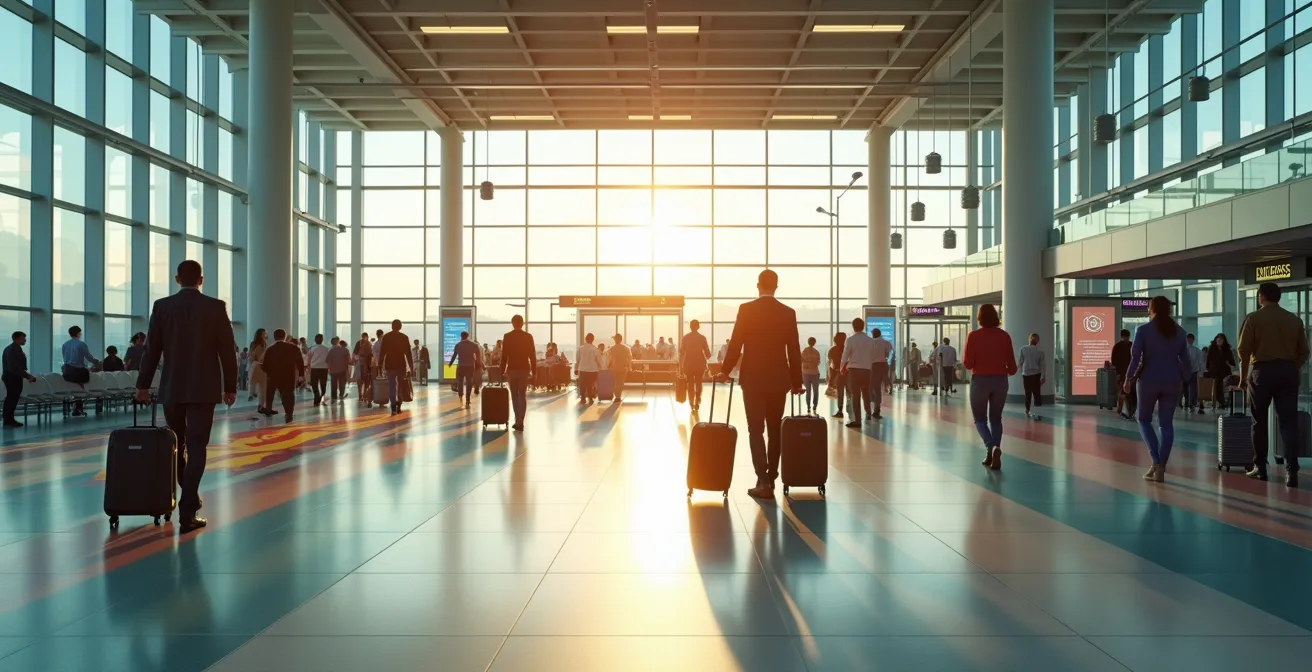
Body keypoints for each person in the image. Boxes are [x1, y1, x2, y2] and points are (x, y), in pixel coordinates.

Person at [133, 260, 237, 534]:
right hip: (204, 388)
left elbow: (151, 350)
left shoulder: (162, 306)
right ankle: (188, 508)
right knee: (198, 445)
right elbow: (227, 349)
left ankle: (186, 492)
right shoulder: (215, 307)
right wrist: (230, 386)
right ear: (201, 279)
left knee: (176, 443)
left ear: (177, 278)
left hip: (173, 387)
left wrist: (143, 385)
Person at [717, 269, 804, 499]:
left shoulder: (747, 310)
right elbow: (794, 350)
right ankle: (771, 475)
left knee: (755, 430)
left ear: (758, 285)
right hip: (779, 380)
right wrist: (797, 382)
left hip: (753, 380)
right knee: (775, 431)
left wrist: (725, 371)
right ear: (776, 286)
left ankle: (763, 480)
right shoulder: (787, 313)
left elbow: (736, 343)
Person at [1238, 282, 1310, 487]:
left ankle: (1260, 467)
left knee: (1258, 422)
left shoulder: (1253, 319)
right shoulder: (1294, 320)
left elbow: (1243, 351)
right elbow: (1304, 351)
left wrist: (1243, 378)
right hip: (1288, 372)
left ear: (1261, 297)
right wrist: (1292, 368)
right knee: (1289, 423)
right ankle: (1291, 471)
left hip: (1262, 373)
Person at [1124, 297, 1191, 484]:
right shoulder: (1179, 332)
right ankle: (1162, 465)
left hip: (1148, 380)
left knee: (1143, 419)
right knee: (1166, 423)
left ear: (1151, 309)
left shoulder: (1143, 330)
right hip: (1173, 380)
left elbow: (1136, 358)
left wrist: (1128, 378)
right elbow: (1185, 361)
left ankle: (1156, 461)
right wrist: (1186, 379)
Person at [963, 304, 1017, 470]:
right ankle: (993, 453)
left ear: (979, 317)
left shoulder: (973, 336)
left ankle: (991, 446)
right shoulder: (1004, 336)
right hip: (1000, 381)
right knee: (996, 419)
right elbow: (1013, 368)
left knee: (980, 419)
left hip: (980, 381)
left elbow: (967, 363)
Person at [500, 315, 536, 431]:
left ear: (512, 323)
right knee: (522, 395)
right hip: (524, 369)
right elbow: (532, 355)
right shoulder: (528, 336)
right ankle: (521, 420)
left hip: (512, 369)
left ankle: (517, 420)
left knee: (514, 395)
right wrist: (534, 371)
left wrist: (501, 372)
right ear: (523, 323)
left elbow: (504, 356)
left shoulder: (507, 336)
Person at [261, 328, 305, 421]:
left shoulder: (270, 349)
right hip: (288, 375)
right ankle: (289, 413)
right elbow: (300, 362)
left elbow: (264, 365)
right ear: (285, 337)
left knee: (270, 393)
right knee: (288, 394)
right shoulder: (293, 348)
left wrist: (269, 372)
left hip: (273, 376)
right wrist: (301, 375)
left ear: (274, 337)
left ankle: (268, 409)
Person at [60, 326, 99, 416]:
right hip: (78, 371)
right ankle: (78, 407)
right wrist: (96, 361)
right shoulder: (81, 344)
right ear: (78, 333)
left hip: (68, 371)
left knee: (74, 388)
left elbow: (64, 357)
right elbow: (88, 357)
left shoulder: (65, 344)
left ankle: (76, 407)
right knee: (81, 387)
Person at [378, 321, 414, 415]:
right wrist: (411, 367)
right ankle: (399, 405)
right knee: (401, 385)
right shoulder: (404, 337)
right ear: (400, 327)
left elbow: (382, 353)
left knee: (391, 386)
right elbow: (408, 354)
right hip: (401, 365)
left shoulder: (387, 337)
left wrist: (379, 366)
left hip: (390, 365)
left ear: (392, 326)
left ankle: (393, 406)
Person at [2, 331, 37, 428]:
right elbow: (15, 367)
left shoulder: (15, 349)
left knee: (12, 398)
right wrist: (28, 376)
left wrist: (25, 375)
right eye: (22, 338)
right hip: (12, 377)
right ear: (16, 339)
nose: (25, 340)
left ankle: (9, 419)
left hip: (14, 376)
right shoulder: (12, 350)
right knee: (11, 399)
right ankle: (8, 420)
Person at [678, 321, 712, 411]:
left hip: (688, 364)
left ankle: (691, 402)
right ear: (698, 327)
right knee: (698, 382)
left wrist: (681, 367)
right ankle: (697, 400)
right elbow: (708, 354)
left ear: (690, 327)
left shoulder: (685, 338)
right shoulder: (702, 338)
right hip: (699, 364)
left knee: (690, 384)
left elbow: (681, 351)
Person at [1017, 333, 1046, 418]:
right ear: (1038, 341)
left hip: (1026, 374)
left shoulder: (1023, 349)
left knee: (1027, 393)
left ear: (1029, 339)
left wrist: (1014, 371)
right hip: (1036, 374)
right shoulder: (1040, 352)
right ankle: (1037, 412)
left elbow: (1020, 362)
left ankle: (1027, 410)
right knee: (1037, 393)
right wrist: (1044, 376)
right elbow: (1042, 365)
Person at [1206, 333, 1236, 413]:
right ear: (1215, 340)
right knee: (1218, 385)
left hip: (1225, 371)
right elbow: (1208, 360)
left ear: (1224, 341)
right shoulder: (1211, 349)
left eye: (1221, 339)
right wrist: (1209, 369)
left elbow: (1232, 362)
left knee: (1225, 386)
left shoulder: (1227, 350)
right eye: (1218, 339)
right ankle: (1221, 402)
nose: (1219, 341)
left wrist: (1229, 365)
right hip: (1215, 371)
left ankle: (1224, 402)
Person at [450, 331, 481, 408]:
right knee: (469, 382)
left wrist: (450, 363)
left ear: (461, 336)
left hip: (461, 365)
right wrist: (478, 363)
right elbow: (478, 355)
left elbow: (454, 355)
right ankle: (467, 399)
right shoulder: (474, 345)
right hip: (470, 365)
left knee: (460, 381)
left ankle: (460, 395)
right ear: (468, 336)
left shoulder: (458, 345)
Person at [868, 328, 893, 416]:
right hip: (883, 364)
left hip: (874, 365)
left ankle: (871, 404)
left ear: (874, 334)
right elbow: (887, 354)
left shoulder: (871, 342)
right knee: (878, 387)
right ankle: (877, 408)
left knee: (872, 386)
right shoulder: (886, 342)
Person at [1111, 329, 1134, 419]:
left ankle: (1122, 410)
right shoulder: (1131, 345)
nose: (1126, 339)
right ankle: (1126, 410)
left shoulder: (1117, 346)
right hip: (1127, 373)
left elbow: (1114, 360)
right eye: (1126, 337)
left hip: (1123, 372)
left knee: (1123, 391)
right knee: (1125, 392)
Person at [575, 333, 601, 404]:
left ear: (585, 339)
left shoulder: (580, 349)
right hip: (593, 370)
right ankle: (590, 398)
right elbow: (598, 360)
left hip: (583, 369)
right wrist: (600, 368)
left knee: (582, 384)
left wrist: (576, 369)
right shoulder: (595, 349)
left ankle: (583, 398)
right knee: (590, 384)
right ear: (593, 340)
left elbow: (577, 360)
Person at [307, 334, 331, 406]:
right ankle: (322, 395)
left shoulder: (312, 348)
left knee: (314, 384)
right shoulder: (326, 348)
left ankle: (316, 397)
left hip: (314, 368)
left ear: (315, 340)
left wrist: (308, 366)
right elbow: (328, 359)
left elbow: (309, 358)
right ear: (322, 340)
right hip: (324, 368)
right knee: (323, 383)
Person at [827, 332, 847, 418]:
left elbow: (832, 365)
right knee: (850, 393)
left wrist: (830, 379)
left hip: (838, 374)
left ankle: (840, 410)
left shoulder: (832, 350)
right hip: (848, 373)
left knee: (840, 393)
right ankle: (852, 411)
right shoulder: (847, 348)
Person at [800, 337, 822, 414]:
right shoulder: (816, 352)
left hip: (805, 373)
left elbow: (801, 361)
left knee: (808, 391)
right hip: (815, 373)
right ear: (814, 343)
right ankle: (815, 405)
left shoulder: (804, 351)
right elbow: (818, 362)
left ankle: (808, 406)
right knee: (816, 390)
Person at [609, 334, 632, 402]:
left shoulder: (612, 348)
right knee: (620, 382)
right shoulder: (626, 348)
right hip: (623, 368)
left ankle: (616, 395)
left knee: (615, 382)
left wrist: (607, 366)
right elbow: (630, 359)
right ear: (621, 339)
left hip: (613, 368)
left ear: (615, 340)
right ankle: (618, 396)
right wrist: (630, 368)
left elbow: (609, 359)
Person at [248, 329, 268, 406]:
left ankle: (261, 403)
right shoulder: (254, 344)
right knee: (256, 382)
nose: (265, 334)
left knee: (262, 386)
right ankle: (253, 394)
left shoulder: (264, 343)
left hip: (261, 366)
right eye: (264, 333)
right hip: (257, 365)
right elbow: (251, 355)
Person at [327, 337, 351, 402]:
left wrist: (329, 369)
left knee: (333, 384)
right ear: (338, 341)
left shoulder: (330, 351)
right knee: (342, 383)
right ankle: (341, 395)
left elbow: (327, 361)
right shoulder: (344, 350)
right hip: (342, 369)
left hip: (333, 370)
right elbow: (349, 360)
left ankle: (334, 396)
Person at [354, 332, 374, 405]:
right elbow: (372, 355)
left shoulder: (359, 343)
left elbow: (354, 354)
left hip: (361, 364)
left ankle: (361, 395)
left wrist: (357, 359)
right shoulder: (369, 344)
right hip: (366, 364)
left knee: (360, 381)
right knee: (366, 381)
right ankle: (364, 395)